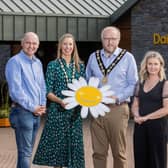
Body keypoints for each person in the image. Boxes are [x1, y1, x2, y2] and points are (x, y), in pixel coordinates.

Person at [86, 26, 138, 168]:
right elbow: (87, 80)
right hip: (97, 110)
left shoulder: (127, 58)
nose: (110, 42)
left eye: (113, 39)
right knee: (98, 152)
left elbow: (133, 84)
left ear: (119, 39)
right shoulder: (93, 57)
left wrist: (118, 97)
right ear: (102, 40)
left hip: (118, 109)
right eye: (106, 38)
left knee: (119, 153)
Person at [33, 33, 85, 168]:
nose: (68, 47)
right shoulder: (53, 65)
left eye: (70, 44)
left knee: (74, 149)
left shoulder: (80, 66)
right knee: (58, 151)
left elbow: (85, 90)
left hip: (75, 114)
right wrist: (60, 101)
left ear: (74, 47)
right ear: (60, 46)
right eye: (65, 44)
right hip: (58, 112)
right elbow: (48, 91)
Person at [5, 32, 46, 168]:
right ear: (22, 43)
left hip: (36, 113)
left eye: (34, 43)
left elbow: (42, 86)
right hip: (23, 112)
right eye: (28, 42)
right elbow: (16, 91)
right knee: (25, 153)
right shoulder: (15, 62)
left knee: (27, 152)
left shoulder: (38, 63)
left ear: (38, 45)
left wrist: (42, 105)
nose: (31, 46)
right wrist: (32, 107)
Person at [131, 51, 168, 168]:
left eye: (156, 64)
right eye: (150, 64)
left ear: (161, 66)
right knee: (140, 157)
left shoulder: (165, 84)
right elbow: (135, 103)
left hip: (158, 127)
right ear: (145, 66)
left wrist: (146, 117)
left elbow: (166, 109)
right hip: (140, 126)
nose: (152, 67)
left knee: (157, 159)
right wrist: (136, 116)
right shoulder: (140, 83)